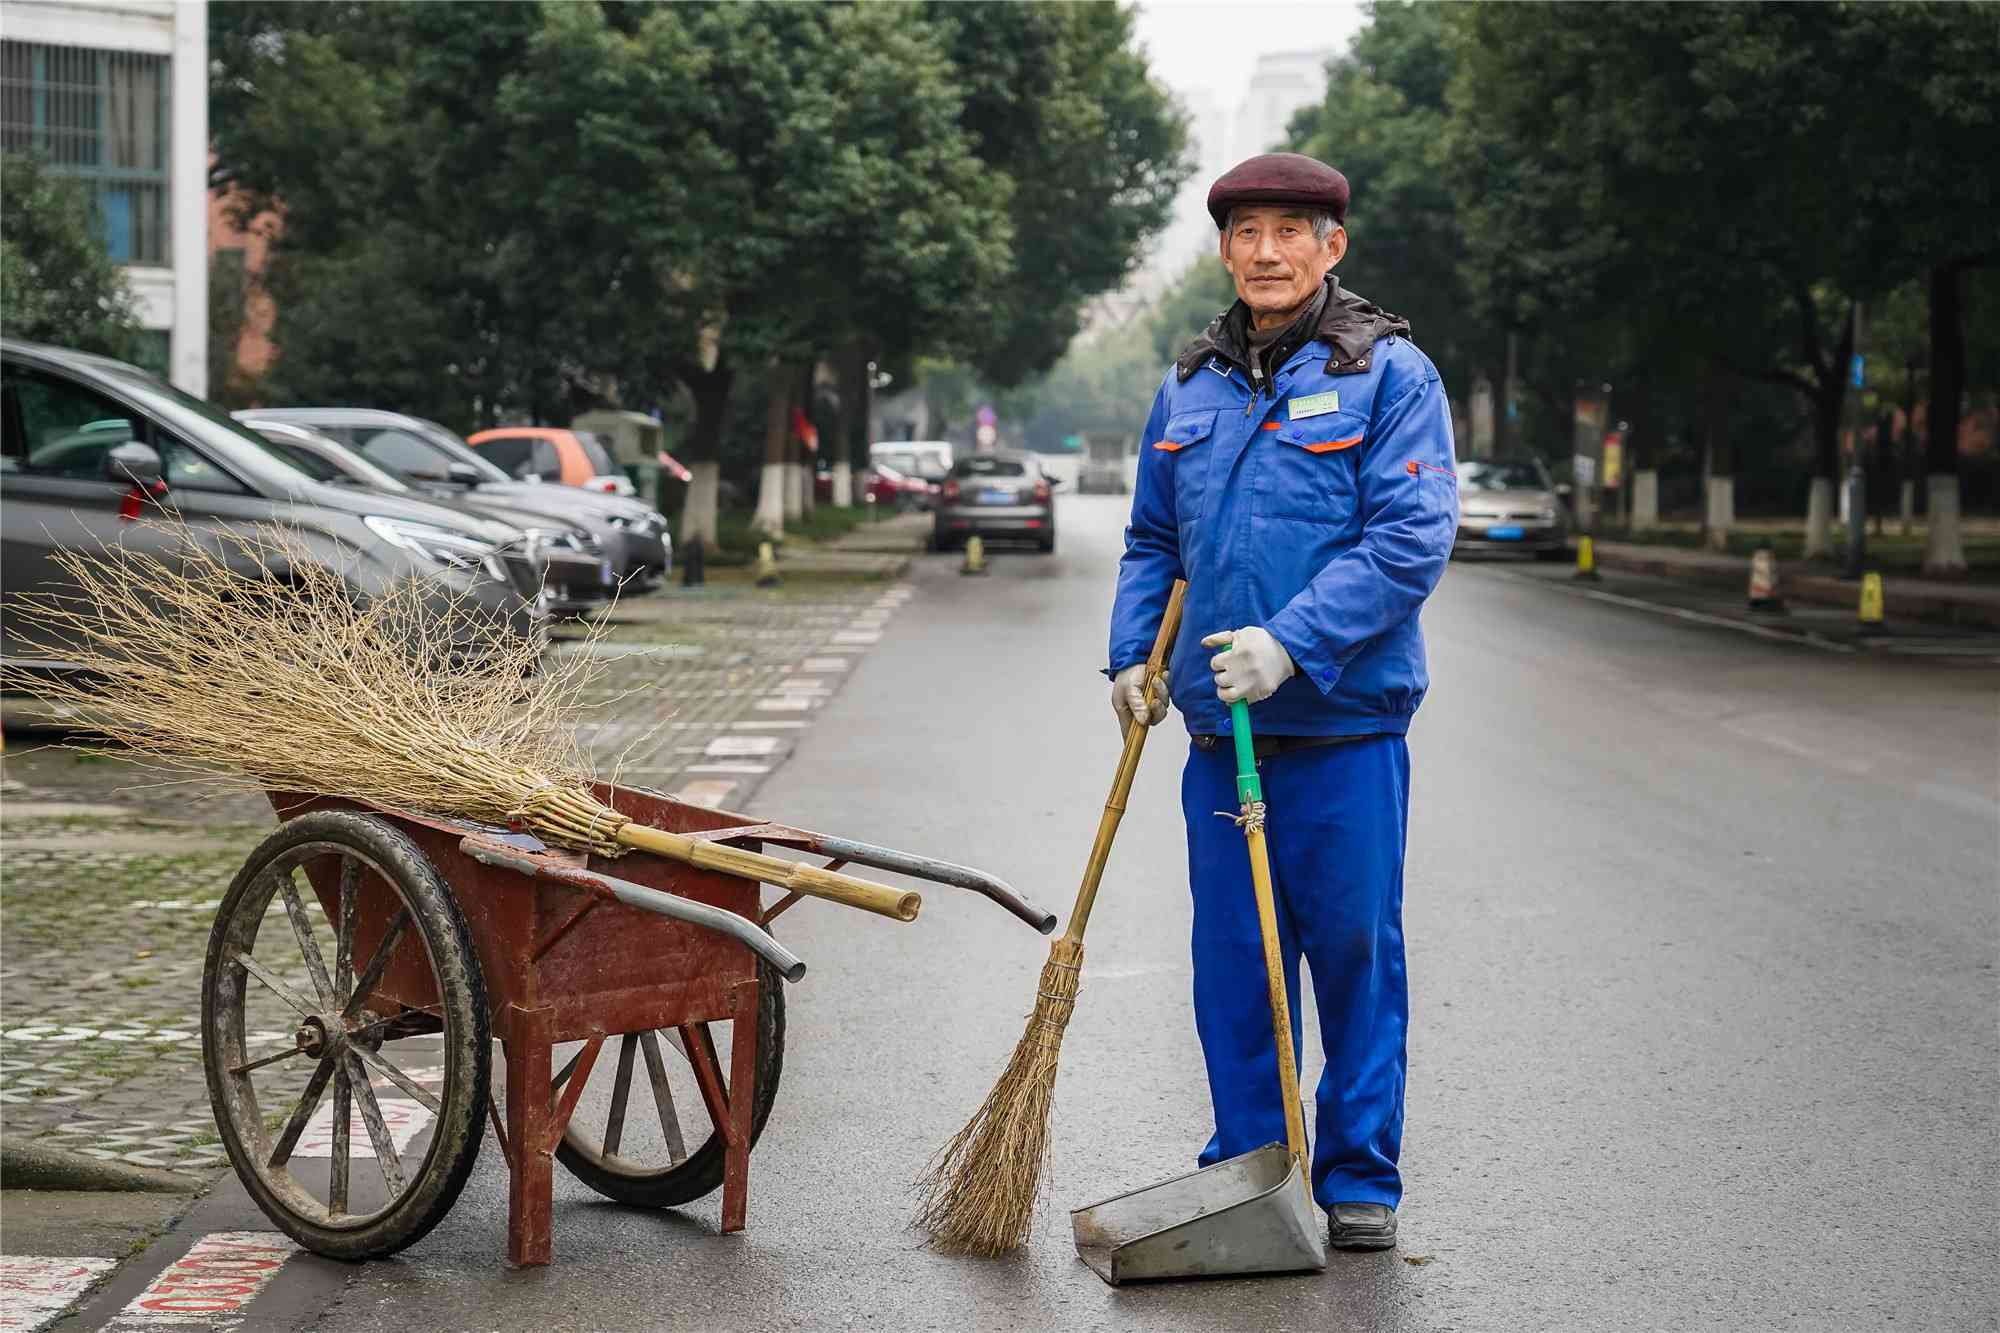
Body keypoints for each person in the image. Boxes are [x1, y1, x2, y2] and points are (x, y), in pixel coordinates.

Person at [1105, 151, 1458, 1252]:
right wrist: (1131, 656)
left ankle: (1358, 1179)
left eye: (1289, 231)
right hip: (1220, 738)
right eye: (1245, 231)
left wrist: (1289, 642)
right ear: (1222, 249)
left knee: (1353, 956)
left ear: (1330, 247)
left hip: (1343, 730)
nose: (1265, 251)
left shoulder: (1391, 377)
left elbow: (1410, 538)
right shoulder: (1188, 383)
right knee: (1236, 969)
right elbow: (1152, 539)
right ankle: (1249, 1170)